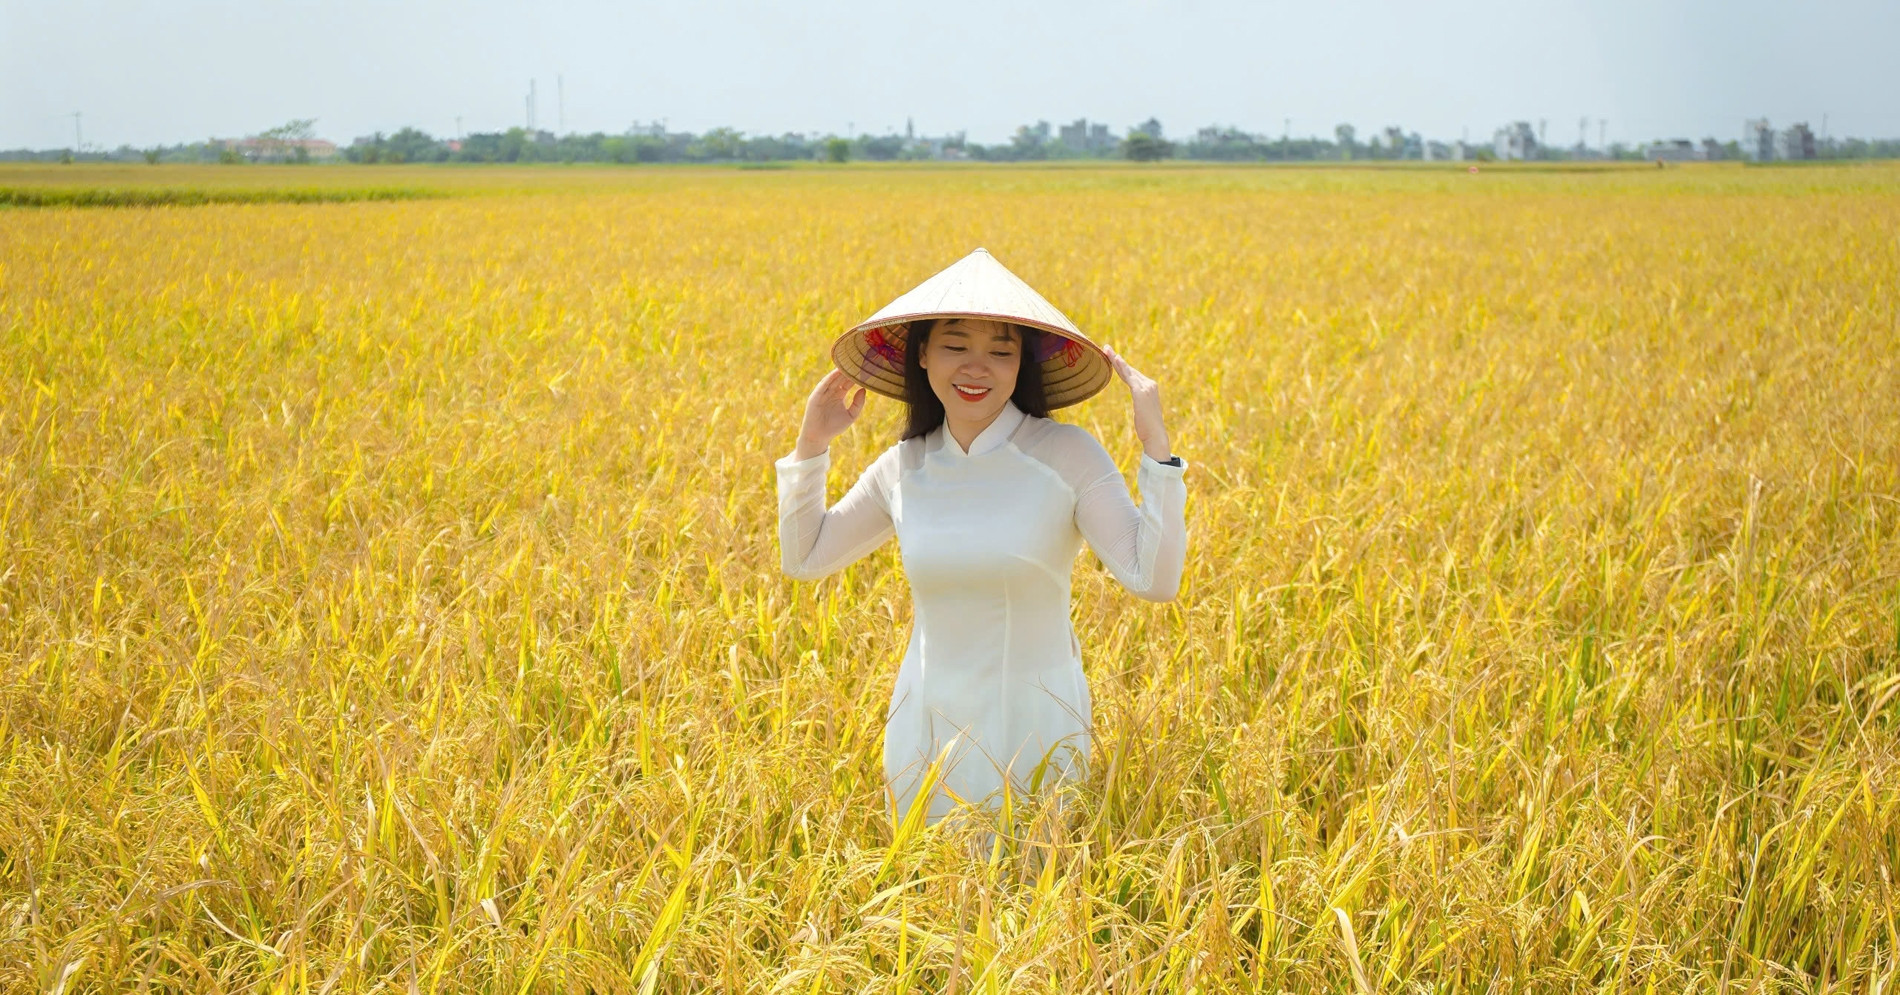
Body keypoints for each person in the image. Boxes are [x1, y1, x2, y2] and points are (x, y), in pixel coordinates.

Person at [774, 248, 1189, 838]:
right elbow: (806, 556)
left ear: (1023, 365)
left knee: (1036, 905)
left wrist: (1158, 454)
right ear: (922, 354)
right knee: (931, 908)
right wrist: (811, 446)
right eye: (955, 346)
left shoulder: (1066, 456)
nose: (977, 368)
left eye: (1001, 351)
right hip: (925, 734)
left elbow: (1155, 579)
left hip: (1035, 733)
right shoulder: (905, 466)